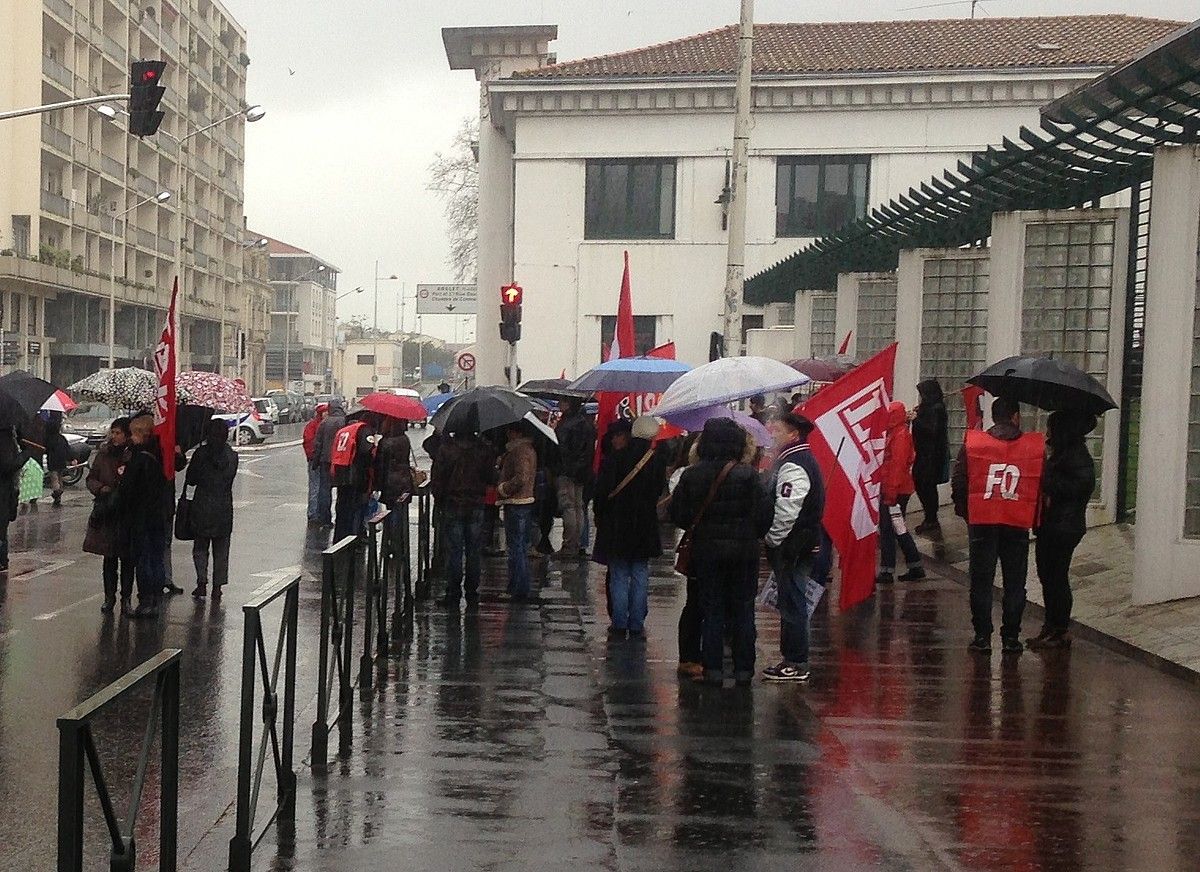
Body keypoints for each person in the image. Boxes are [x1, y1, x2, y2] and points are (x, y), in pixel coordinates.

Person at [670, 419, 771, 684]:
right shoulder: (748, 475)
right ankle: (743, 669)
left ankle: (712, 669)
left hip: (706, 552)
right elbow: (764, 515)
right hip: (744, 552)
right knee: (743, 609)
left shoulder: (692, 474)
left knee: (711, 609)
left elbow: (678, 515)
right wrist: (751, 533)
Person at [952, 397, 1045, 654]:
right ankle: (1011, 637)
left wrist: (967, 513)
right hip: (1016, 523)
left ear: (994, 417)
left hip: (982, 521)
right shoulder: (1032, 447)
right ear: (1015, 416)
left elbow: (959, 481)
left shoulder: (975, 444)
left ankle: (982, 636)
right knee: (1015, 582)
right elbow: (1039, 485)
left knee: (981, 581)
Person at [761, 412, 826, 682]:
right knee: (791, 601)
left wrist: (773, 539)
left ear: (793, 435)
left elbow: (787, 508)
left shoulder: (793, 465)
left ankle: (796, 662)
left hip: (793, 546)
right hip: (799, 543)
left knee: (793, 603)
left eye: (779, 430)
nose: (773, 434)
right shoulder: (795, 460)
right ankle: (793, 659)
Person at [1029, 411, 1097, 649]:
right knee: (1048, 576)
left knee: (1056, 577)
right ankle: (1051, 625)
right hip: (1052, 524)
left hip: (1063, 527)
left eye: (1050, 428)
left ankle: (1059, 628)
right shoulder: (1064, 453)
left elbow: (1077, 486)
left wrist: (1046, 475)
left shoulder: (1076, 456)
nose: (1047, 433)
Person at [594, 416, 665, 640]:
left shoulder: (614, 459)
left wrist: (601, 514)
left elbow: (601, 494)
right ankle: (636, 623)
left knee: (619, 573)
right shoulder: (655, 460)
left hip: (617, 523)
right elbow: (657, 492)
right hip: (644, 524)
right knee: (640, 573)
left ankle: (618, 622)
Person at [431, 427, 496, 608]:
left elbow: (437, 479)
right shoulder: (483, 449)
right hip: (476, 504)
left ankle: (453, 592)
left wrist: (441, 499)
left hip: (453, 503)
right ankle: (472, 591)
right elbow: (491, 477)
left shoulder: (446, 449)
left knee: (454, 551)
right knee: (474, 551)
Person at [122, 415, 173, 618]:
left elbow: (128, 489)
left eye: (133, 434)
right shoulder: (160, 454)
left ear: (141, 435)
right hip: (158, 514)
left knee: (144, 560)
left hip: (141, 516)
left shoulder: (140, 458)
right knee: (157, 557)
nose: (130, 438)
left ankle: (146, 601)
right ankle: (155, 599)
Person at [84, 418, 133, 613]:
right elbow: (91, 478)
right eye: (113, 432)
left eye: (119, 432)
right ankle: (109, 597)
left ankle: (126, 599)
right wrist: (100, 488)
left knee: (127, 559)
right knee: (109, 559)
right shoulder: (103, 455)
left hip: (125, 512)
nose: (114, 436)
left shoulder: (132, 455)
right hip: (107, 511)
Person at [186, 419, 239, 599]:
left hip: (202, 506)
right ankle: (218, 587)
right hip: (224, 507)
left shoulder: (201, 454)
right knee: (222, 550)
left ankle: (201, 582)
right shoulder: (232, 456)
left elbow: (191, 479)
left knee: (200, 548)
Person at [877, 401, 926, 585]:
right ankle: (914, 565)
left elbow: (896, 466)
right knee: (897, 527)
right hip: (898, 488)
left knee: (890, 528)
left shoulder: (899, 436)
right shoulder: (898, 433)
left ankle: (888, 570)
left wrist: (890, 493)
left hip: (895, 490)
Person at [497, 422, 538, 600]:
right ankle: (518, 586)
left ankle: (517, 588)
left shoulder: (519, 451)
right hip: (523, 502)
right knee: (519, 546)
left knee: (516, 548)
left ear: (516, 433)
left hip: (517, 502)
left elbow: (522, 476)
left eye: (509, 431)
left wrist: (504, 488)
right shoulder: (525, 449)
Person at [554, 397, 594, 560]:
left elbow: (562, 449)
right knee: (578, 507)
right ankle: (576, 543)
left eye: (562, 402)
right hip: (582, 472)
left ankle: (569, 544)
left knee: (569, 507)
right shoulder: (586, 424)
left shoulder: (567, 425)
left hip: (567, 471)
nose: (559, 404)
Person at [331, 413, 378, 541]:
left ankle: (339, 538)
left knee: (342, 507)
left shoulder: (345, 430)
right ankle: (353, 538)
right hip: (356, 474)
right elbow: (366, 452)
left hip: (341, 472)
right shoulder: (365, 430)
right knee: (355, 508)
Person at [912, 379, 949, 534]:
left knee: (926, 486)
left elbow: (931, 430)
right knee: (923, 485)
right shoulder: (929, 407)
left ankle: (931, 519)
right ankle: (930, 517)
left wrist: (916, 419)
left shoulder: (936, 409)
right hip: (925, 454)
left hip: (931, 456)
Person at [313, 400, 346, 529]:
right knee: (342, 491)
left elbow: (318, 444)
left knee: (324, 490)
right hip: (341, 461)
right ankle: (341, 519)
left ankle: (325, 519)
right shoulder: (345, 421)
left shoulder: (324, 423)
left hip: (325, 460)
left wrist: (315, 461)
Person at [0, 426, 29, 572]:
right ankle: (2, 560)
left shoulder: (8, 437)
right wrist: (26, 453)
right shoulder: (4, 439)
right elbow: (8, 466)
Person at [303, 402, 329, 526]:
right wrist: (312, 456)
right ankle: (313, 513)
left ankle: (317, 512)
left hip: (320, 459)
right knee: (315, 487)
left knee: (319, 487)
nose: (326, 414)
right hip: (315, 460)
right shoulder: (314, 425)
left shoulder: (317, 425)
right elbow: (308, 442)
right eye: (324, 412)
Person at [44, 414, 69, 506]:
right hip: (62, 461)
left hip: (53, 461)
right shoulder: (62, 438)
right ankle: (59, 492)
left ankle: (57, 492)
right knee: (60, 477)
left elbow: (46, 448)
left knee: (54, 478)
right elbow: (67, 449)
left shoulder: (49, 439)